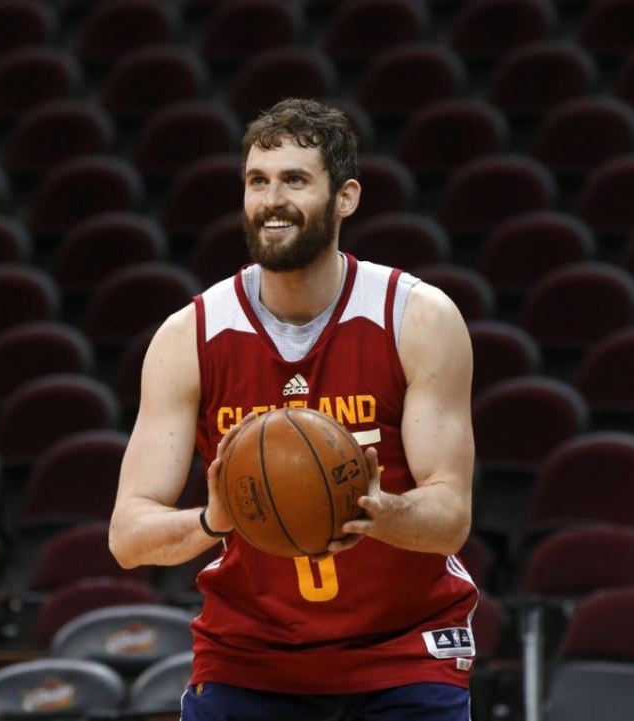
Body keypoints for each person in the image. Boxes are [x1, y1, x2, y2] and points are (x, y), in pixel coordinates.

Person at [110, 97, 478, 720]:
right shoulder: (189, 336)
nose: (271, 200)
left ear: (346, 197)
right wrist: (213, 519)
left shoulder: (417, 317)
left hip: (403, 652)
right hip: (250, 658)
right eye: (258, 181)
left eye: (294, 180)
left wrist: (377, 512)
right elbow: (127, 536)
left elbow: (451, 516)